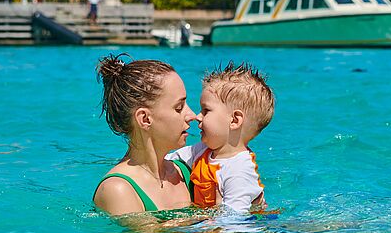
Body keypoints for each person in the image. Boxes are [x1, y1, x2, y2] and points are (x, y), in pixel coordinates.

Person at [93, 54, 197, 216]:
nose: (192, 115)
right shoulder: (118, 190)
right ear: (145, 119)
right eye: (179, 107)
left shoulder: (186, 172)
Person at [167, 62, 275, 213]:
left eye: (206, 111)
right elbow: (167, 160)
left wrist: (191, 222)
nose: (197, 117)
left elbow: (234, 222)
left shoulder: (239, 170)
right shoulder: (203, 150)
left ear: (234, 120)